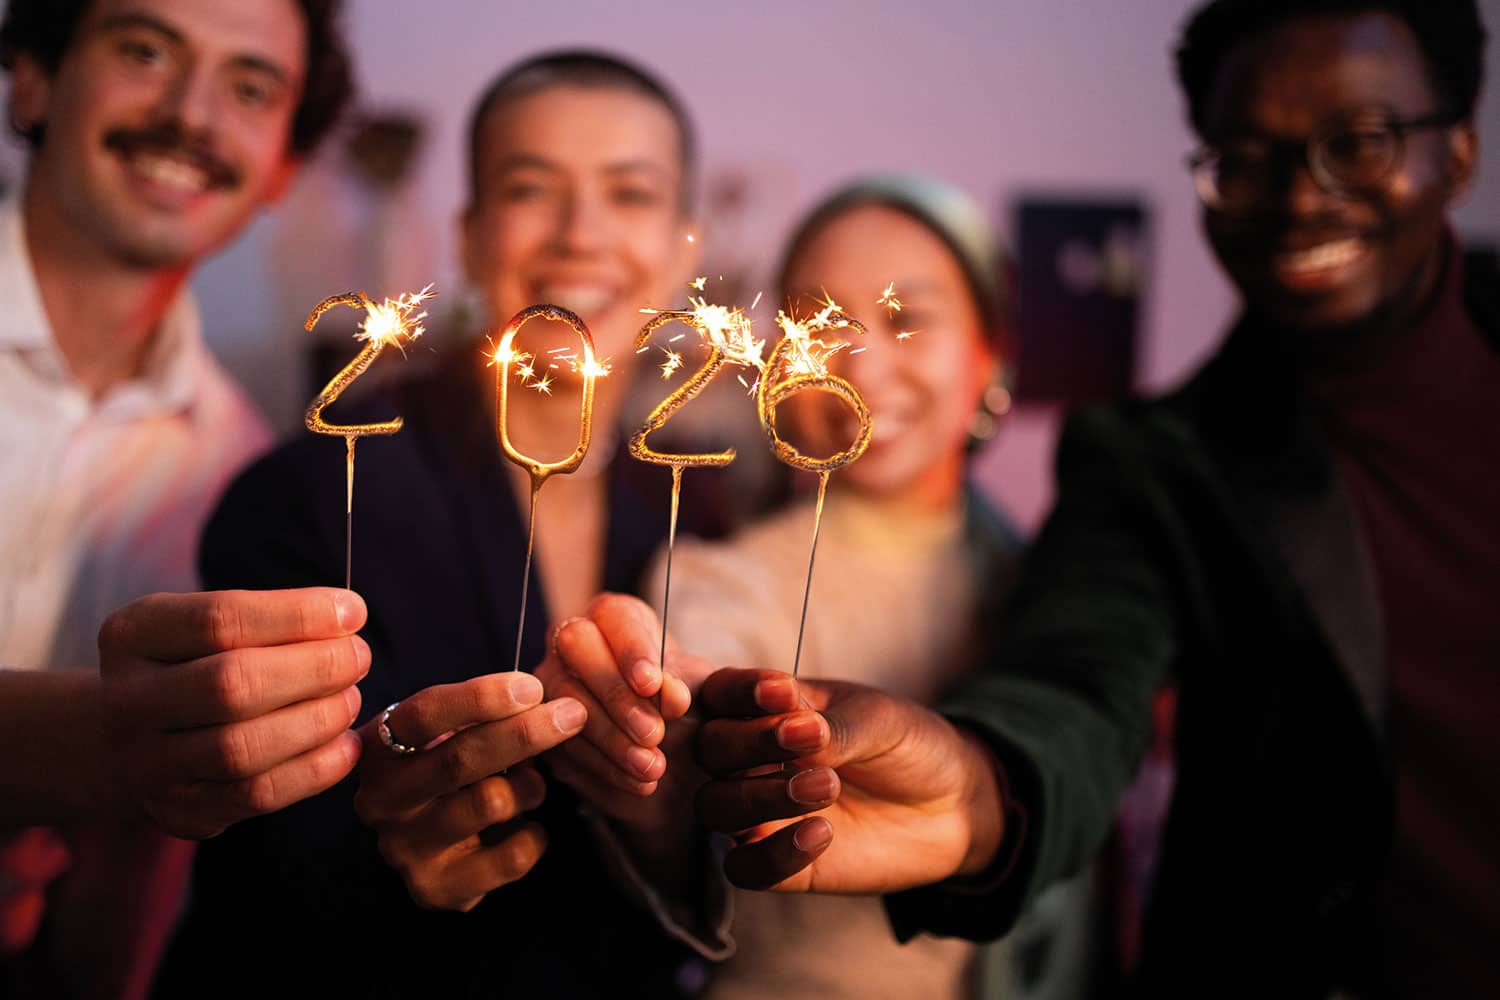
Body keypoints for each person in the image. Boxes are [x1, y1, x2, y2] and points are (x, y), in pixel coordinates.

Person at [583, 0, 1500, 995]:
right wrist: (981, 792)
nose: (1303, 199)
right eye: (819, 323)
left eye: (1357, 144)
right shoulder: (1145, 475)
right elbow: (1073, 691)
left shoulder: (1028, 550)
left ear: (992, 353)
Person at [156, 51, 730, 998]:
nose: (581, 235)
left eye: (629, 196)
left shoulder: (700, 513)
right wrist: (392, 836)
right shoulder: (314, 495)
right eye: (530, 189)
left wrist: (672, 822)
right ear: (469, 238)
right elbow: (245, 850)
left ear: (681, 251)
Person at [540, 175, 1094, 998]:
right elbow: (690, 781)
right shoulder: (718, 584)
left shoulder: (1060, 589)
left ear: (990, 351)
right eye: (822, 323)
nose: (861, 367)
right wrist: (659, 744)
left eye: (908, 317)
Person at [0, 0, 355, 995]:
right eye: (145, 49)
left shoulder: (246, 476)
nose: (192, 115)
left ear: (283, 165)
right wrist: (89, 741)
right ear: (31, 76)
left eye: (250, 87)